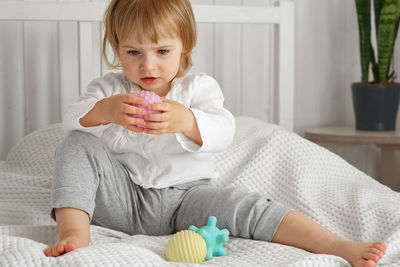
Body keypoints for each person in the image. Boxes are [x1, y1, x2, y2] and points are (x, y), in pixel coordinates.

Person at [44, 0, 386, 266]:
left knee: (243, 205)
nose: (148, 65)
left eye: (162, 51)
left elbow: (224, 130)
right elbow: (71, 120)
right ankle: (75, 234)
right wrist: (104, 111)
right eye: (133, 52)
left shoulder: (198, 88)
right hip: (123, 200)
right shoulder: (108, 88)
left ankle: (338, 245)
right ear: (117, 48)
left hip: (187, 199)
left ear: (185, 45)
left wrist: (187, 121)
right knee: (76, 143)